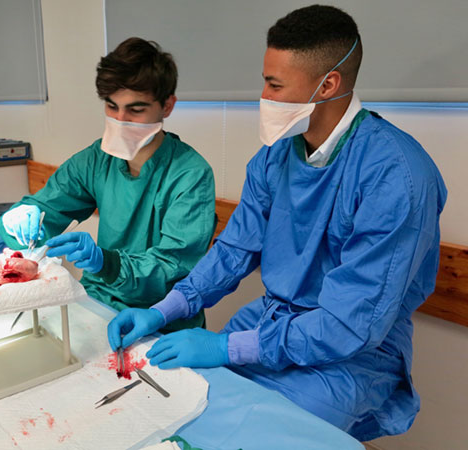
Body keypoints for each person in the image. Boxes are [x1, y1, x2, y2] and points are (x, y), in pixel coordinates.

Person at [107, 5, 447, 441]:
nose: (263, 96)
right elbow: (234, 251)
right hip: (269, 322)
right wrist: (163, 311)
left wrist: (225, 347)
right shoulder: (275, 156)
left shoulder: (397, 175)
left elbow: (349, 325)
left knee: (260, 435)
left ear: (328, 84)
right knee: (184, 411)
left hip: (350, 356)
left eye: (274, 85)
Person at [0, 37, 215, 331]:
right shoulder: (96, 160)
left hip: (161, 319)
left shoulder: (190, 175)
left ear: (167, 106)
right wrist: (21, 217)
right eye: (112, 106)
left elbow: (172, 267)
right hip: (99, 300)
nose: (120, 119)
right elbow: (48, 206)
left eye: (136, 110)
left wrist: (106, 263)